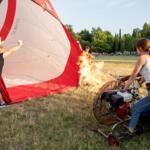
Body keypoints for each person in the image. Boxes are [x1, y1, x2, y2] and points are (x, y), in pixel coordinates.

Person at [124, 38, 150, 133]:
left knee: (136, 107)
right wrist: (138, 84)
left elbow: (133, 76)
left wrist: (124, 88)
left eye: (136, 48)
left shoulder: (142, 58)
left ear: (140, 48)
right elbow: (144, 77)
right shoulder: (149, 58)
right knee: (144, 110)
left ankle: (131, 130)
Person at [0, 37, 23, 106]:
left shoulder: (2, 56)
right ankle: (1, 102)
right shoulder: (2, 56)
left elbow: (11, 50)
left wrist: (19, 46)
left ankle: (1, 102)